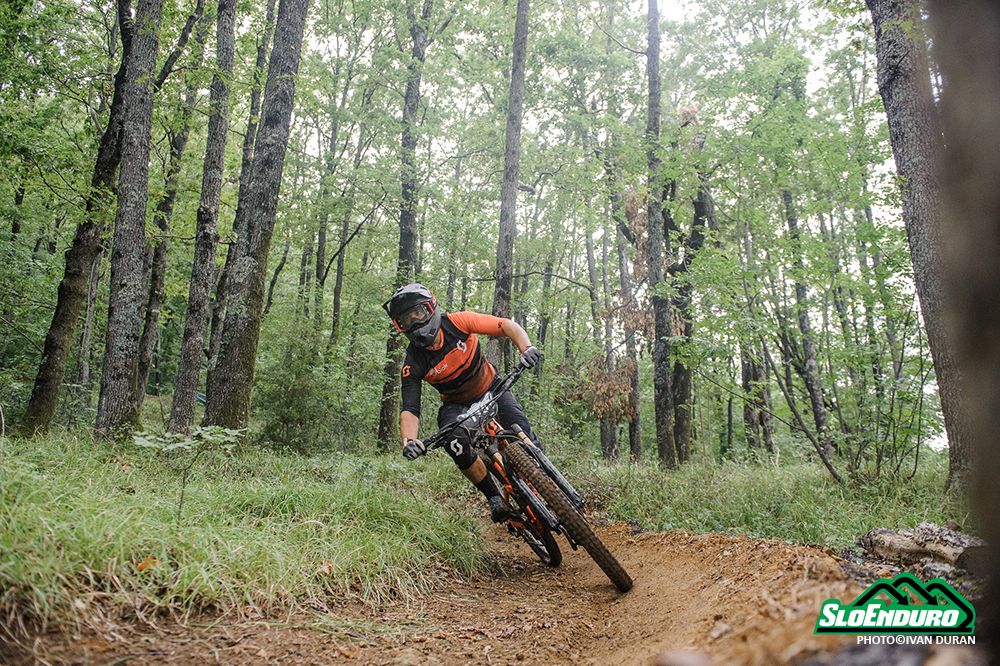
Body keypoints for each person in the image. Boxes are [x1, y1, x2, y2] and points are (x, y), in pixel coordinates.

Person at [382, 283, 542, 523]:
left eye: (418, 313)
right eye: (406, 319)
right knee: (454, 442)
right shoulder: (413, 362)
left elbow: (506, 325)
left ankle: (547, 480)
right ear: (400, 326)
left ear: (431, 308)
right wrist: (410, 441)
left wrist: (526, 347)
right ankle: (494, 497)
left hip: (491, 387)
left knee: (526, 436)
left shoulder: (458, 322)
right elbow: (410, 409)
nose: (414, 322)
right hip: (456, 406)